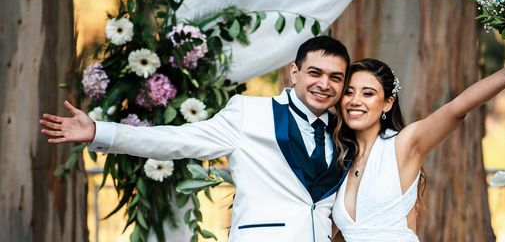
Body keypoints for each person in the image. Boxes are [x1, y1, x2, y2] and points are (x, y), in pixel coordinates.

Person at [40, 36, 350, 242]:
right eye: (315, 73)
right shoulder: (249, 112)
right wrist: (100, 130)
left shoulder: (343, 133)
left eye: (335, 77)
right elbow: (178, 140)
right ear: (295, 73)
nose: (324, 84)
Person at [331, 46, 505, 242]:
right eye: (349, 92)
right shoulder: (340, 156)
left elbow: (457, 109)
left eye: (367, 93)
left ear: (388, 103)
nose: (355, 100)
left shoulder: (402, 144)